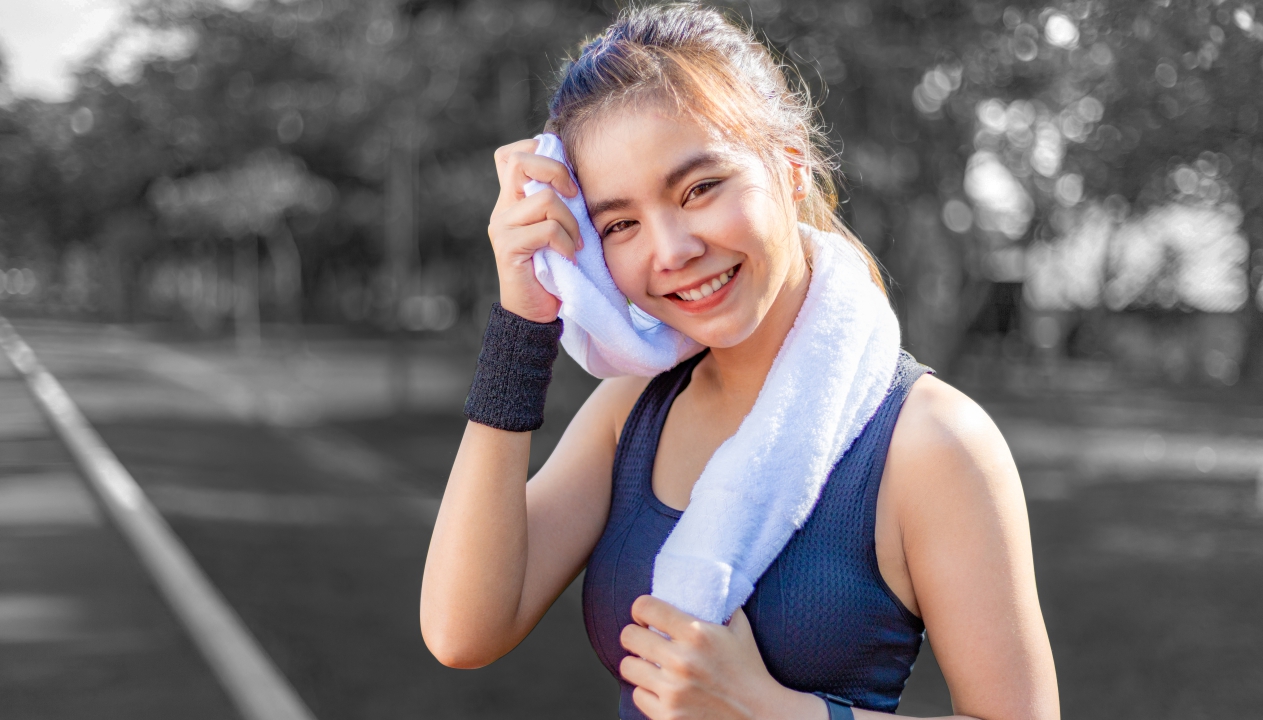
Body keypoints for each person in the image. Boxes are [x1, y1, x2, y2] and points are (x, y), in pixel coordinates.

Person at [420, 5, 1060, 720]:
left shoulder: (933, 444)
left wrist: (766, 709)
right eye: (620, 223)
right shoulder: (632, 412)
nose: (671, 250)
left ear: (789, 170)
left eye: (699, 189)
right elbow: (461, 631)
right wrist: (523, 322)